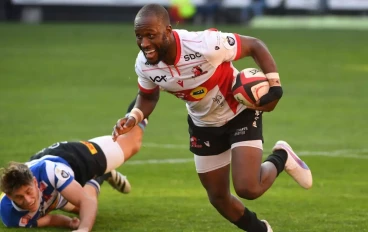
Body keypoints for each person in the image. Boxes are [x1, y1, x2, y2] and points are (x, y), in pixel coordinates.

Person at [112, 4, 313, 232]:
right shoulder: (144, 65)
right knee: (218, 197)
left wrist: (275, 86)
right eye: (139, 37)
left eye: (151, 35)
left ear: (168, 31)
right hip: (203, 125)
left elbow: (255, 45)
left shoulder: (205, 44)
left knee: (248, 188)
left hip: (239, 113)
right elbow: (148, 97)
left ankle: (281, 156)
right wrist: (133, 116)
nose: (144, 43)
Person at [0, 99, 147, 231]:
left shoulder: (50, 171)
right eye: (19, 197)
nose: (27, 200)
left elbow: (86, 201)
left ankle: (146, 95)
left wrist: (83, 229)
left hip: (73, 159)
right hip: (53, 193)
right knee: (82, 210)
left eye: (28, 192)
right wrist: (70, 223)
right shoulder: (10, 216)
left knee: (133, 143)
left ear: (33, 181)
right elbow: (50, 219)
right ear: (9, 196)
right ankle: (101, 176)